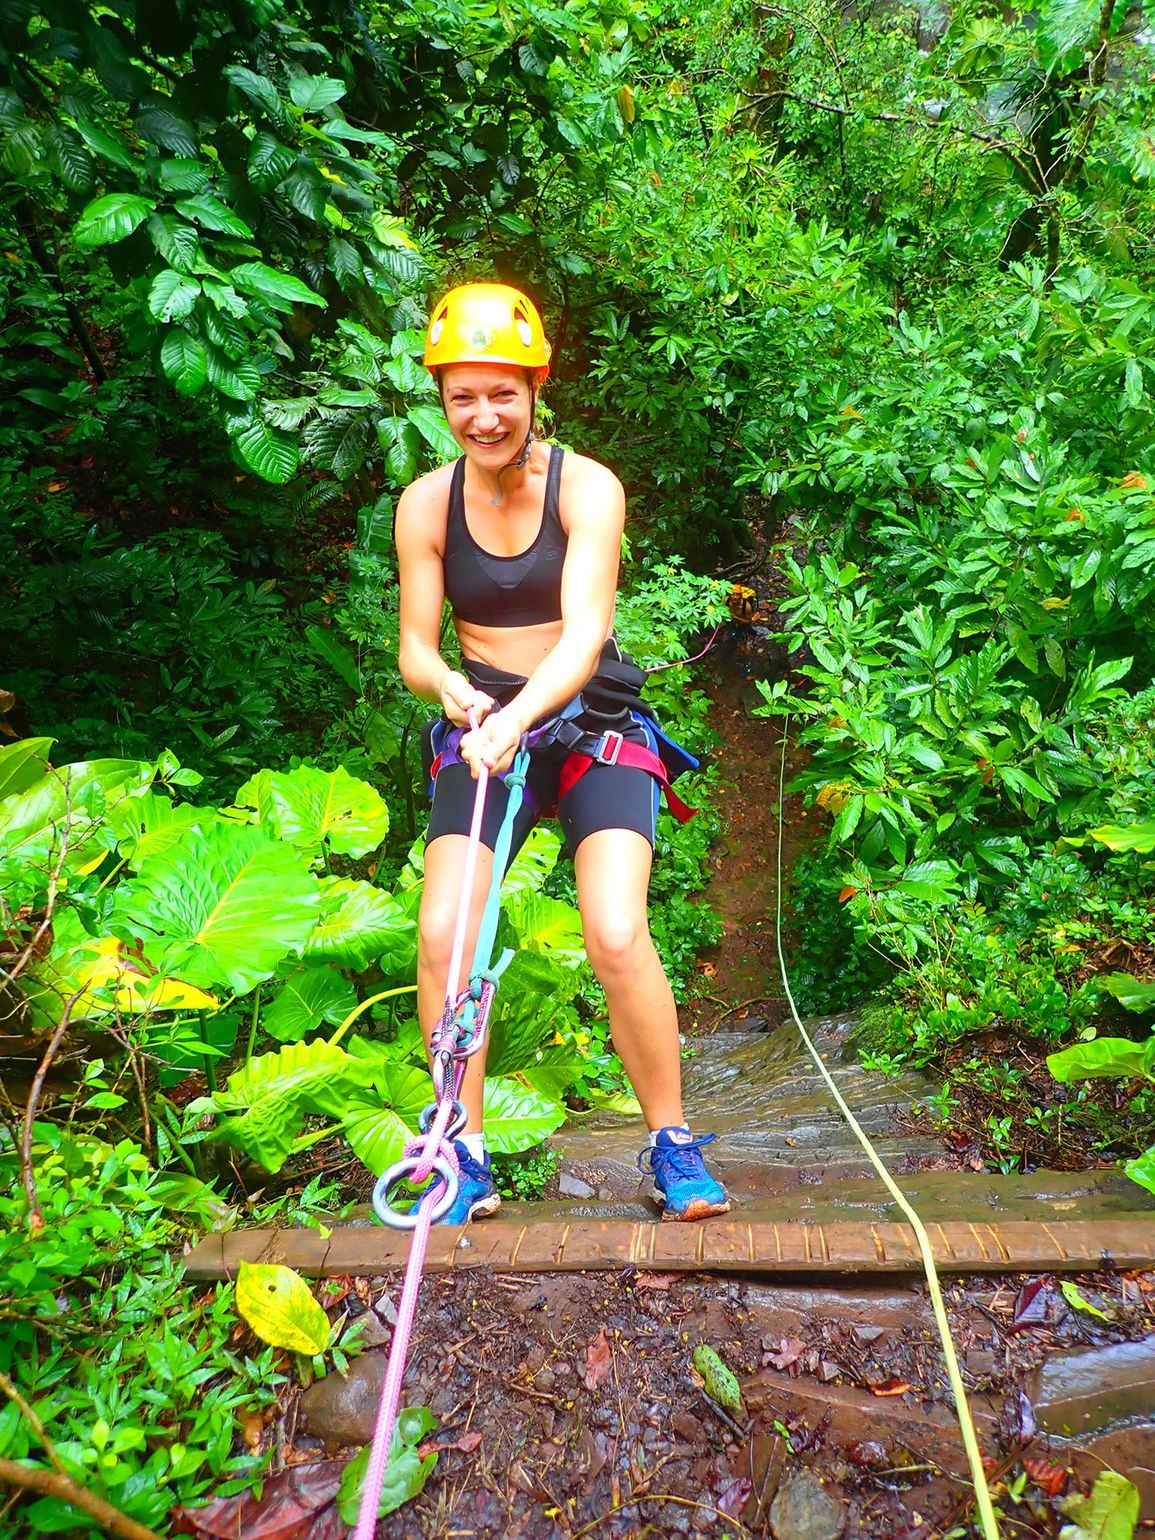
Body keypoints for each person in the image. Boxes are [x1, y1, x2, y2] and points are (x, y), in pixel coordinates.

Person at [394, 281, 729, 1224]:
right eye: (463, 395)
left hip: (590, 725)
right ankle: (459, 1148)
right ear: (441, 398)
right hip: (481, 731)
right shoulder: (424, 505)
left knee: (615, 930)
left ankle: (672, 1144)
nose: (484, 414)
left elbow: (584, 636)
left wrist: (515, 716)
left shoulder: (587, 487)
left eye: (502, 392)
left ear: (537, 388)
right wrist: (456, 694)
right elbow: (417, 644)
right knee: (441, 935)